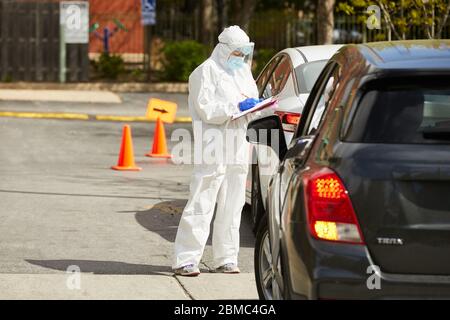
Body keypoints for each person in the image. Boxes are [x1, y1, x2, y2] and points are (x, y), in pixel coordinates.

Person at [173, 26, 260, 276]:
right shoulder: (204, 73)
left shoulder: (243, 72)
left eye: (244, 53)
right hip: (213, 144)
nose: (241, 58)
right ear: (223, 50)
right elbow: (206, 109)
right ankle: (186, 259)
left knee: (232, 204)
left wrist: (258, 107)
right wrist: (236, 106)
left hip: (238, 145)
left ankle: (226, 258)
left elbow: (251, 102)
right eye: (237, 53)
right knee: (202, 200)